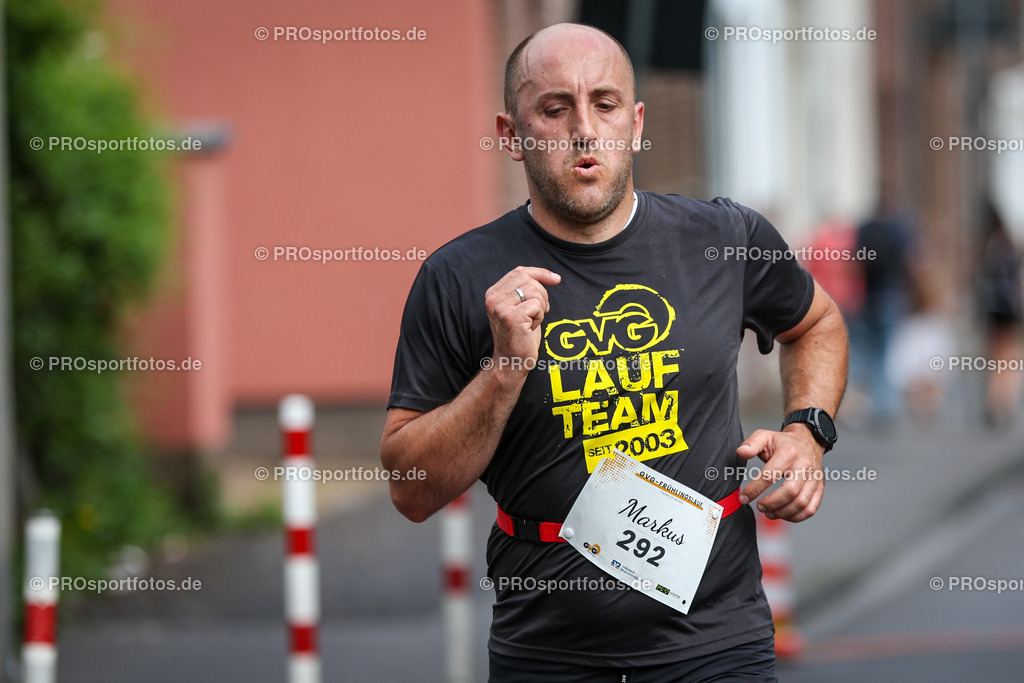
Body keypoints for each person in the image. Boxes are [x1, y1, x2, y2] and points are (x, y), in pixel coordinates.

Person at [381, 23, 847, 682]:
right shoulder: (459, 277)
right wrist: (505, 368)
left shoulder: (723, 238)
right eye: (553, 108)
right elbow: (411, 489)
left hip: (718, 641)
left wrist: (808, 432)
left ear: (635, 123)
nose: (583, 129)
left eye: (603, 104)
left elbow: (817, 322)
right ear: (510, 134)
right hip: (547, 651)